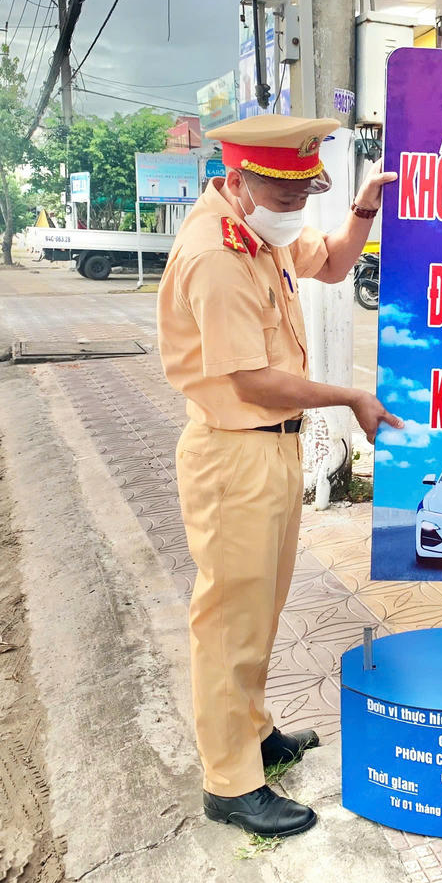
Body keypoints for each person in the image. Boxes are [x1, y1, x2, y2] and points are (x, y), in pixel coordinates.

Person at [158, 113, 401, 838]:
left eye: (302, 198)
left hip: (269, 453)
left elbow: (328, 262)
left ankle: (254, 732)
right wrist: (352, 395)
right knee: (230, 620)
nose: (293, 211)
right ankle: (229, 783)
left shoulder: (254, 230)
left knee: (261, 608)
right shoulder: (217, 254)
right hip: (235, 453)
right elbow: (255, 380)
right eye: (282, 196)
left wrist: (363, 207)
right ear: (235, 181)